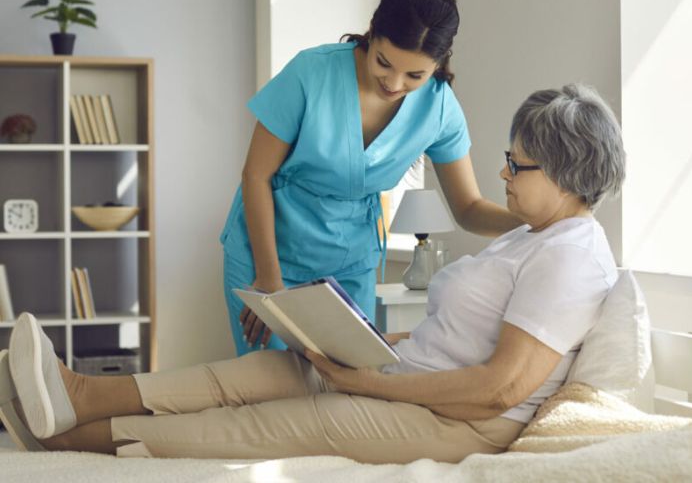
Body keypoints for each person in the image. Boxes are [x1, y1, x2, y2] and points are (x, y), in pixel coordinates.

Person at [1, 84, 625, 463]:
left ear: (566, 173)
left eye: (518, 164)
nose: (504, 173)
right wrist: (365, 345)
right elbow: (462, 337)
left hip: (459, 423)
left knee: (262, 424)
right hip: (409, 377)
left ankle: (64, 442)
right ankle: (80, 396)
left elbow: (498, 391)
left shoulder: (571, 257)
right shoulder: (529, 236)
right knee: (268, 370)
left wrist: (371, 385)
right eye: (508, 158)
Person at [222, 0, 523, 355]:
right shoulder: (310, 73)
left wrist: (535, 222)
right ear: (372, 33)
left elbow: (468, 208)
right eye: (384, 62)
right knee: (268, 380)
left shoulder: (440, 109)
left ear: (439, 63)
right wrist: (269, 278)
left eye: (415, 76)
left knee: (351, 379)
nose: (394, 83)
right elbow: (255, 175)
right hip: (266, 255)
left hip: (350, 264)